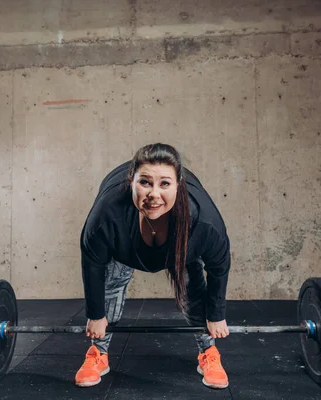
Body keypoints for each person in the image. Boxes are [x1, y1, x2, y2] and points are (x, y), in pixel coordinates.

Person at [76, 143, 231, 389]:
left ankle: (208, 353)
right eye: (145, 182)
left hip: (180, 249)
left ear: (179, 185)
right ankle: (98, 353)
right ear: (131, 181)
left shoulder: (202, 223)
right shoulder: (107, 216)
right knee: (112, 286)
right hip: (125, 249)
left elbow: (219, 266)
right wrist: (95, 315)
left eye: (165, 184)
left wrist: (216, 315)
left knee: (194, 292)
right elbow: (93, 264)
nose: (154, 195)